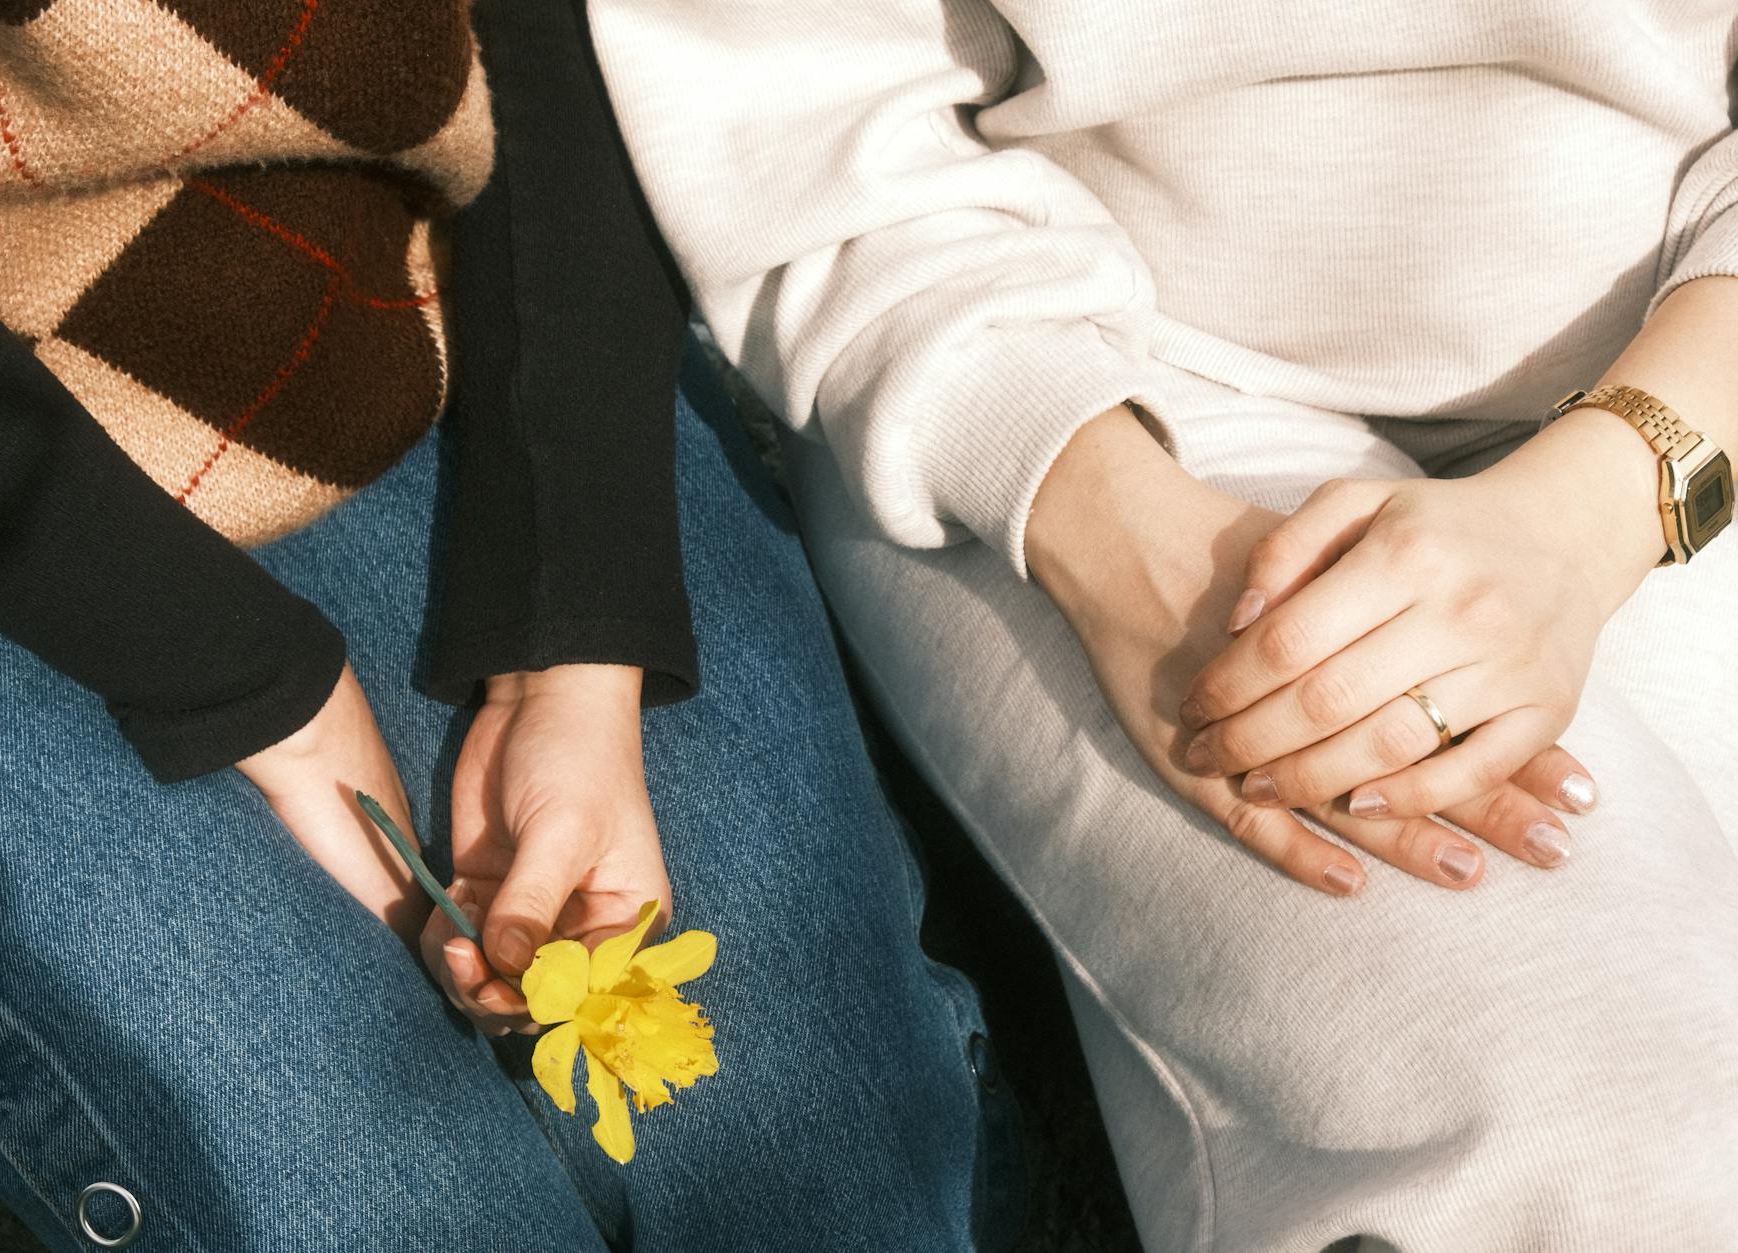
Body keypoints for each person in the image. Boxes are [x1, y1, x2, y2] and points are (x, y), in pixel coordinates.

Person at [0, 2, 1021, 1249]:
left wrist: (574, 640)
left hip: (387, 279)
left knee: (831, 1148)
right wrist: (248, 687)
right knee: (399, 1205)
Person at [586, 1, 1738, 1248]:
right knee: (1598, 1137)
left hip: (1691, 349)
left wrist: (1606, 497)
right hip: (1107, 401)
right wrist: (1124, 542)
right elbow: (786, 113)